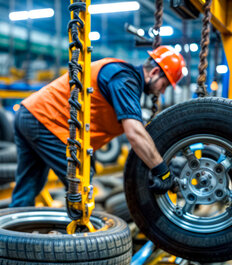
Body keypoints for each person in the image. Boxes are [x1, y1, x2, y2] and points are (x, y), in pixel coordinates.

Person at [10, 45, 186, 207]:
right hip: (47, 121)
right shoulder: (125, 79)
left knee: (28, 187)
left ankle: (10, 236)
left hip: (29, 114)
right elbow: (135, 133)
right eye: (164, 85)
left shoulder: (123, 78)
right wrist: (162, 171)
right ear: (154, 72)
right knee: (82, 183)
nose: (162, 92)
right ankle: (79, 236)